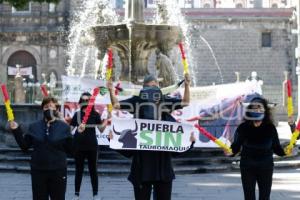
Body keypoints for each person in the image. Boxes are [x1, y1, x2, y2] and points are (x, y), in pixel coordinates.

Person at [107, 73, 195, 200]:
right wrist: (111, 90)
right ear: (143, 89)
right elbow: (116, 105)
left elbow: (185, 102)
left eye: (155, 86)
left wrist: (187, 85)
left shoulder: (165, 100)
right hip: (142, 166)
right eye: (149, 87)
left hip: (163, 167)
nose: (153, 90)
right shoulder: (137, 101)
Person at [9, 97, 73, 200]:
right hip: (38, 171)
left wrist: (78, 134)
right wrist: (16, 130)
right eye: (46, 107)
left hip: (58, 171)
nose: (49, 109)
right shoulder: (34, 126)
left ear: (56, 109)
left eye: (52, 106)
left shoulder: (64, 127)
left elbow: (72, 150)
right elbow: (24, 146)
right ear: (42, 109)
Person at [230, 97, 286, 200]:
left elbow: (277, 148)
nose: (258, 111)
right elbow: (235, 147)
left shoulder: (270, 128)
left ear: (265, 111)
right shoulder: (243, 127)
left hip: (266, 167)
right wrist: (229, 152)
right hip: (247, 167)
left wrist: (286, 151)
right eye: (254, 109)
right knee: (249, 197)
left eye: (260, 109)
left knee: (265, 197)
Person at [70, 92, 105, 200]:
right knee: (78, 170)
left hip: (92, 146)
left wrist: (107, 120)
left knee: (93, 170)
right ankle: (76, 194)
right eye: (83, 99)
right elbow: (69, 130)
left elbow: (101, 129)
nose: (85, 102)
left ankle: (95, 194)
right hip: (78, 145)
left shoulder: (95, 114)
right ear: (80, 102)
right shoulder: (77, 114)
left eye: (87, 99)